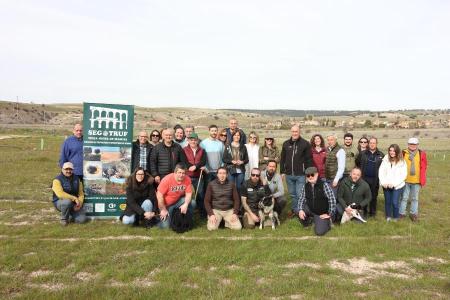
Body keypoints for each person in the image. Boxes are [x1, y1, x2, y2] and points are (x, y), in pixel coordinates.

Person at [280, 125, 313, 218]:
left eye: (296, 131)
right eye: (293, 131)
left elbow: (309, 159)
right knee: (292, 194)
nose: (294, 133)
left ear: (299, 132)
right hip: (289, 174)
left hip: (301, 175)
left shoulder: (305, 144)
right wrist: (282, 171)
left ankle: (301, 211)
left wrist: (308, 174)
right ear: (291, 132)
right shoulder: (286, 143)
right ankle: (295, 210)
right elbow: (283, 158)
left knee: (300, 194)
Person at [298, 167, 336, 236]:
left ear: (317, 174)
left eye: (312, 175)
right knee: (298, 210)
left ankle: (328, 222)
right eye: (308, 175)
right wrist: (300, 210)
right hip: (311, 209)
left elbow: (332, 200)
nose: (310, 177)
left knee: (319, 232)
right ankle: (311, 221)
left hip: (322, 213)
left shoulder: (324, 185)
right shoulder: (305, 186)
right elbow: (301, 199)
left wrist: (329, 214)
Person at [156, 164, 194, 229]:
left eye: (183, 173)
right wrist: (163, 209)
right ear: (175, 172)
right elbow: (159, 196)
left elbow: (188, 194)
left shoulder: (187, 179)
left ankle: (188, 221)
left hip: (177, 202)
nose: (181, 175)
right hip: (166, 205)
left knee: (192, 203)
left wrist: (186, 204)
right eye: (179, 172)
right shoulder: (167, 179)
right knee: (166, 227)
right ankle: (156, 220)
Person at [400, 138, 428, 222]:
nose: (412, 146)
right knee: (404, 198)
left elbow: (425, 165)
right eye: (411, 144)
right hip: (405, 180)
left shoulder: (421, 153)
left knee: (415, 198)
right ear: (408, 144)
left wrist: (422, 177)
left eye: (414, 144)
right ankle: (401, 213)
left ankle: (413, 213)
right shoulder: (403, 152)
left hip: (416, 181)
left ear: (417, 145)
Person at [355, 137, 384, 217]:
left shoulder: (381, 155)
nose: (372, 144)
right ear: (368, 144)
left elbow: (383, 167)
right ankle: (363, 211)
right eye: (370, 143)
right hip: (364, 179)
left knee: (373, 196)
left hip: (375, 179)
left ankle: (372, 213)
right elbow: (357, 163)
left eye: (374, 143)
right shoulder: (362, 153)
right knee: (363, 196)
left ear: (376, 143)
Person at [51, 162, 87, 226]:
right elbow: (60, 194)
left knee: (82, 220)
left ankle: (69, 214)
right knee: (67, 202)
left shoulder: (77, 179)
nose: (68, 171)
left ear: (73, 170)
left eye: (70, 169)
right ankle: (64, 219)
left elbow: (81, 193)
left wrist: (80, 203)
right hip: (60, 202)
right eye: (66, 169)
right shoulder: (57, 180)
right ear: (62, 169)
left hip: (74, 203)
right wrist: (74, 198)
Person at [378, 144, 407, 222]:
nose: (391, 152)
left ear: (397, 151)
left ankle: (396, 217)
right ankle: (388, 216)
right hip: (386, 185)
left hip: (397, 186)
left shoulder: (402, 162)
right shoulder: (385, 160)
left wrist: (394, 184)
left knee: (394, 202)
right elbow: (381, 172)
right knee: (388, 202)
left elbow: (403, 175)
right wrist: (383, 182)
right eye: (390, 150)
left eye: (393, 151)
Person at [183, 133, 207, 217]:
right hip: (187, 177)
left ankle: (202, 214)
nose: (193, 141)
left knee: (200, 194)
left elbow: (203, 161)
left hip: (198, 176)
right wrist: (190, 167)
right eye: (191, 140)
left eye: (195, 140)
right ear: (188, 141)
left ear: (197, 141)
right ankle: (188, 212)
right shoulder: (184, 150)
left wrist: (196, 167)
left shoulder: (202, 150)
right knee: (188, 195)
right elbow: (184, 160)